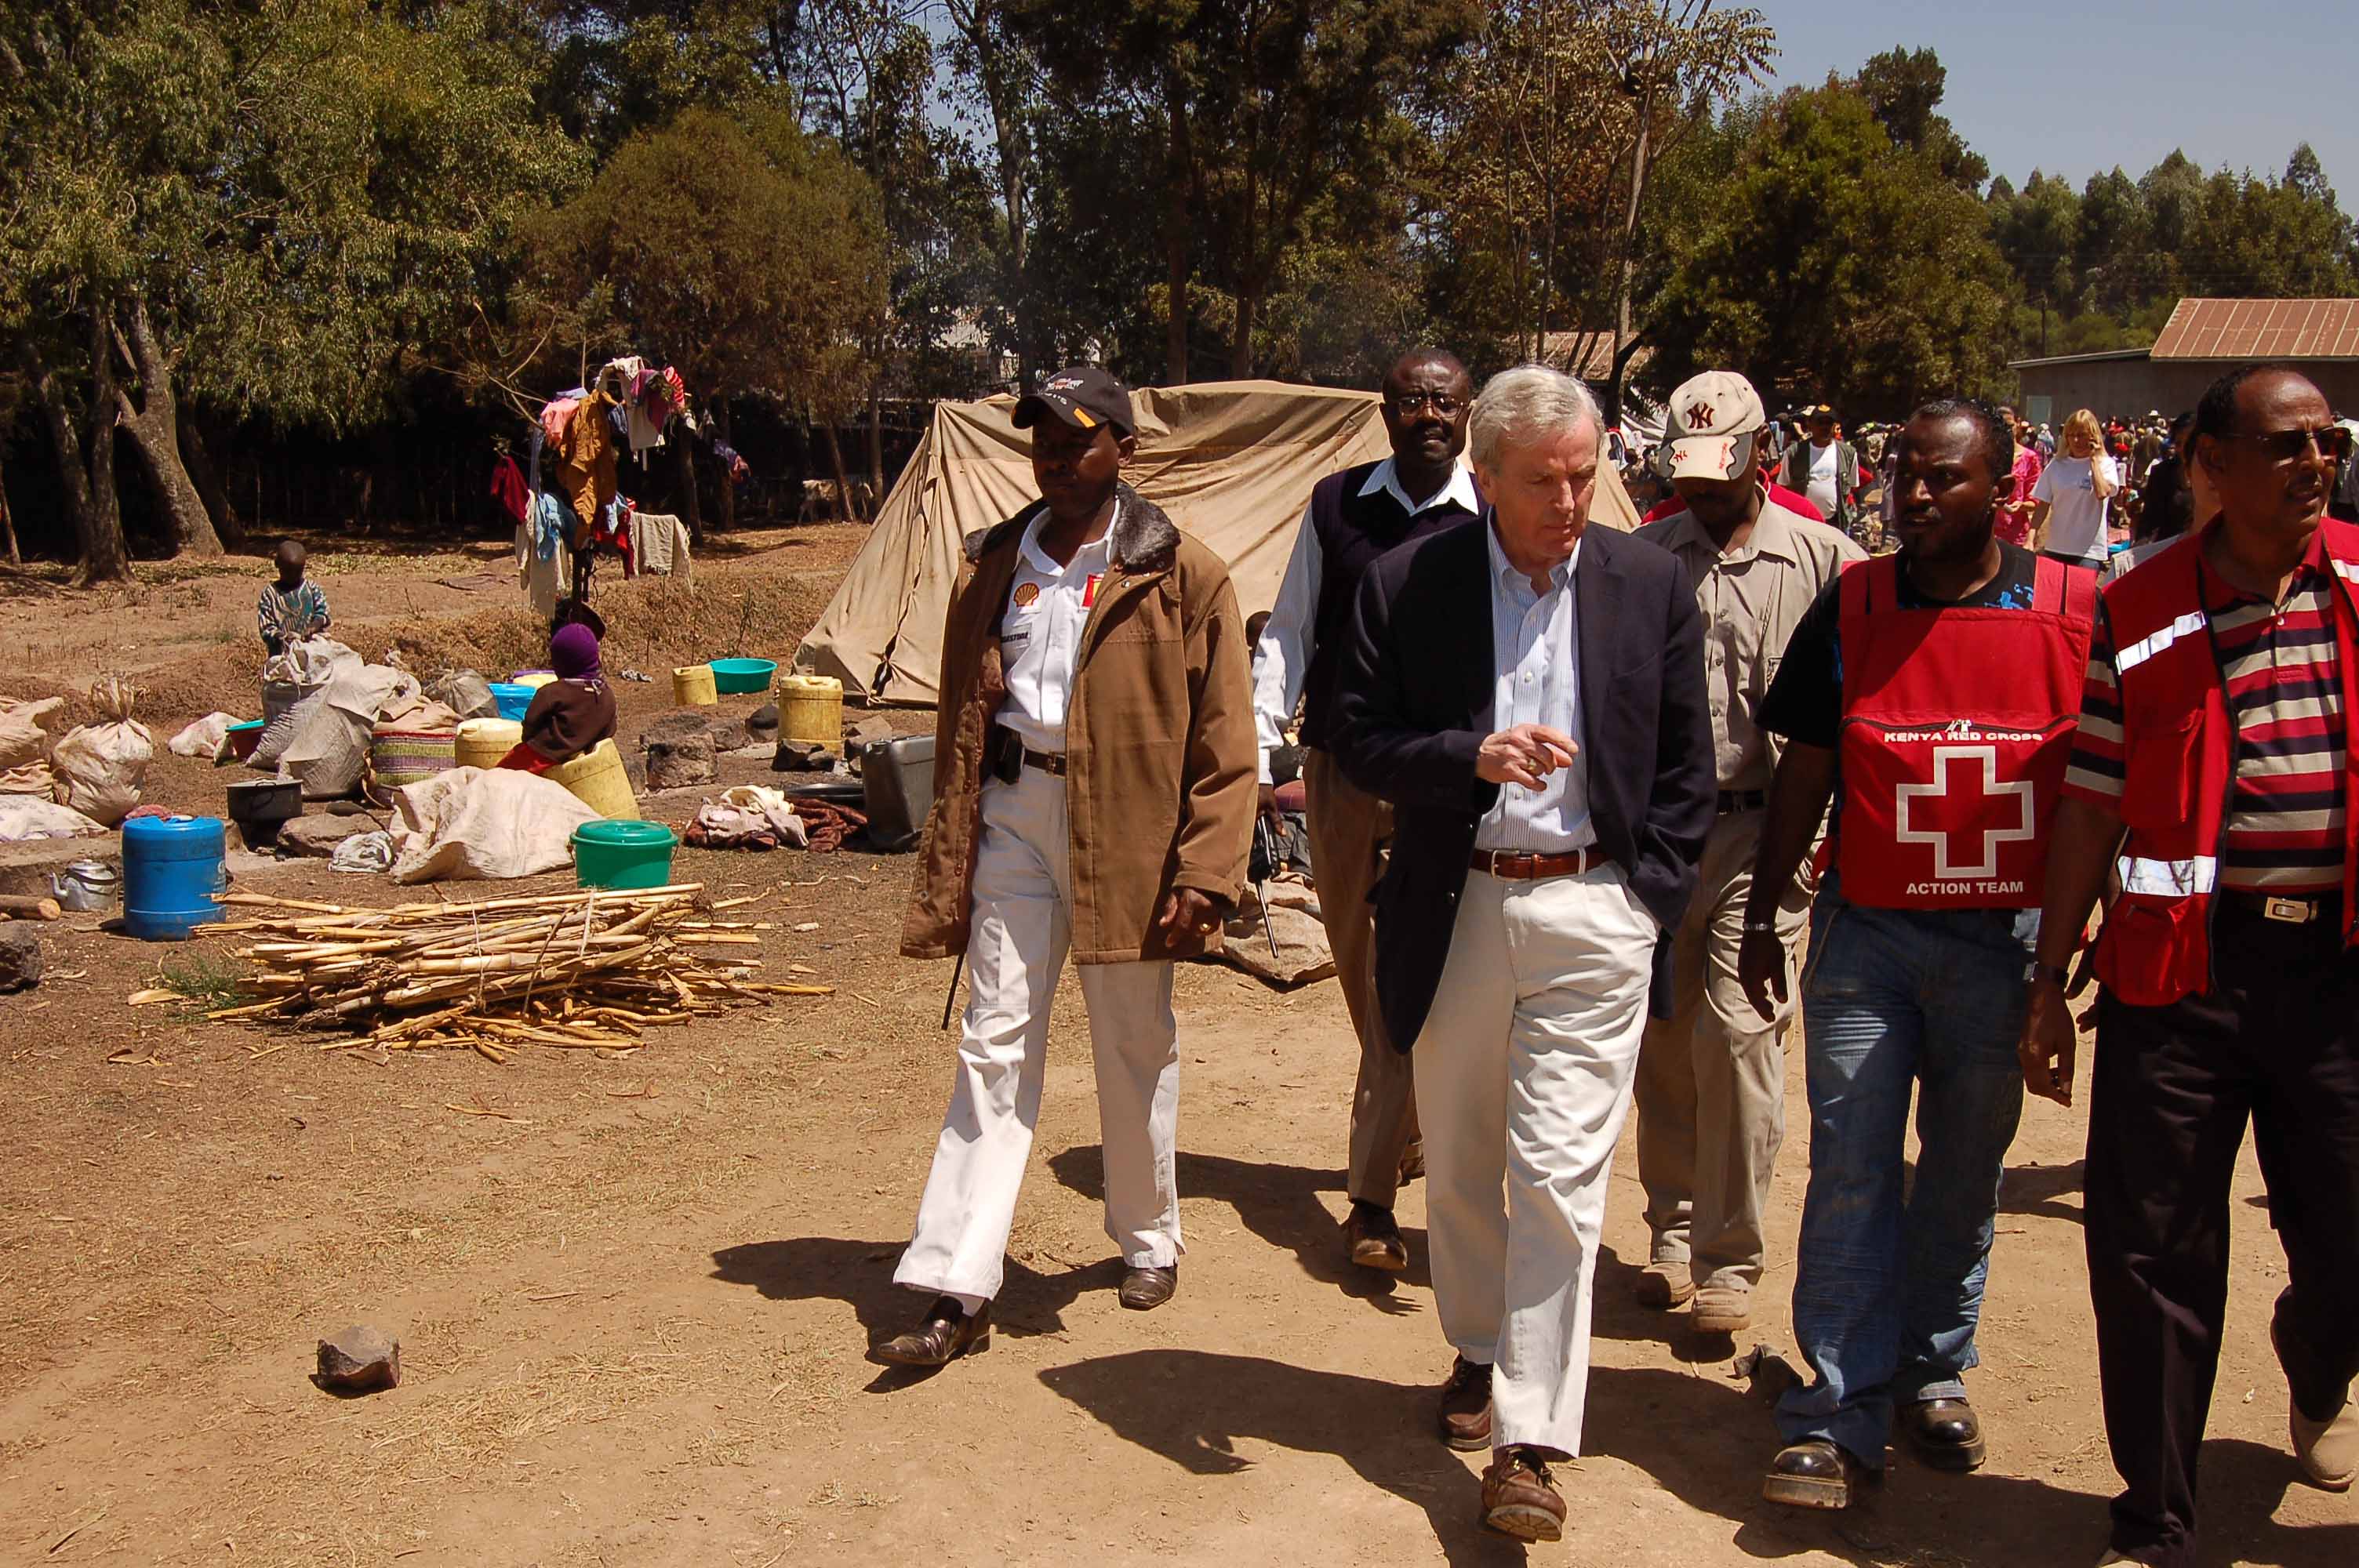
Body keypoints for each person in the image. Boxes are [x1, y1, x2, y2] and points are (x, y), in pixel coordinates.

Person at [1332, 365, 1712, 1544]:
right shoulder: (1410, 583)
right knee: (1460, 1158)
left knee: (1558, 1174)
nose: (1568, 499)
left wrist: (1649, 900)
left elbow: (1689, 766)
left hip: (1596, 911)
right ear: (1484, 477)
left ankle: (1528, 1438)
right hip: (1459, 908)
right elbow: (1352, 736)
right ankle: (1481, 1346)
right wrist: (1468, 756)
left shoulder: (1649, 584)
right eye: (1543, 479)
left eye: (1584, 475)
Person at [2019, 365, 2359, 1568]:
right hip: (2181, 982)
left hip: (2342, 983)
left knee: (2349, 1242)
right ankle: (2155, 1519)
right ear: (2211, 466)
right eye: (2288, 445)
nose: (2318, 462)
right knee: (2151, 1251)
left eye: (2330, 440)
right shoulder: (2142, 601)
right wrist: (2049, 979)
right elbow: (2093, 796)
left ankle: (2318, 1364)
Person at [1739, 397, 2099, 1509]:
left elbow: (2108, 782)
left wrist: (2091, 927)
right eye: (1903, 474)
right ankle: (1836, 1407)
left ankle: (1932, 1368)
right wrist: (1765, 909)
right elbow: (1806, 762)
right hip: (1872, 931)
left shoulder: (2077, 608)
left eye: (1943, 477)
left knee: (1961, 1168)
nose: (1914, 495)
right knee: (1851, 1159)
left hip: (2006, 944)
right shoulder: (1853, 602)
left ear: (2005, 490)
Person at [878, 365, 1256, 1367]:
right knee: (993, 1042)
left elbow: (1228, 744)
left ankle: (1146, 1236)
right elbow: (965, 701)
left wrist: (1205, 870)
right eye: (1040, 438)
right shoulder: (997, 559)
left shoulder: (1182, 571)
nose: (1053, 456)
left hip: (1128, 827)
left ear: (1122, 448)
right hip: (1016, 816)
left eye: (1075, 439)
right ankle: (957, 1278)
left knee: (1132, 1040)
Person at [1631, 372, 1865, 1335]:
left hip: (1770, 831)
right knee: (1664, 1031)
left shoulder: (1826, 562)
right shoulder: (1643, 558)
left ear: (1759, 453)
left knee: (1738, 1030)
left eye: (1718, 474)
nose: (1701, 493)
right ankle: (1673, 1230)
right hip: (1660, 831)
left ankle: (1729, 1255)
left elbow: (1857, 713)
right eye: (1685, 476)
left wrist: (1832, 839)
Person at [1250, 347, 1481, 1274]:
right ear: (1384, 414)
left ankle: (1369, 1195)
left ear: (1468, 412)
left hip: (1446, 774)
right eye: (1409, 400)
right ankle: (1406, 1122)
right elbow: (1293, 625)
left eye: (1444, 400)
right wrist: (1264, 746)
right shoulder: (1336, 503)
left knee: (1411, 977)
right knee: (1359, 964)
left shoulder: (1497, 511)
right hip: (1343, 764)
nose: (1427, 413)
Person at [499, 623, 616, 771]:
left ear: (560, 664)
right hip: (589, 764)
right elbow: (609, 731)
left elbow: (530, 725)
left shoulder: (552, 693)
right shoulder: (606, 695)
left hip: (542, 757)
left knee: (500, 775)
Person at [2032, 408, 2122, 568]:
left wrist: (2094, 461)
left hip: (2088, 553)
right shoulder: (2056, 465)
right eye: (2071, 435)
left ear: (2093, 436)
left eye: (2081, 435)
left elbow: (2102, 493)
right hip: (2056, 548)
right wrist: (2031, 535)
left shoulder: (2106, 464)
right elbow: (2043, 504)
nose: (2075, 441)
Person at [1783, 405, 1860, 536]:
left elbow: (1851, 486)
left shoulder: (1848, 454)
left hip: (1835, 523)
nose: (1824, 427)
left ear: (1834, 426)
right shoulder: (1794, 453)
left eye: (1829, 423)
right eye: (1820, 422)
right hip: (1803, 523)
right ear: (1810, 424)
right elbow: (1784, 485)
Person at [256, 539, 330, 655]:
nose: (292, 575)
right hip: (282, 654)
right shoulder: (270, 594)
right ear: (277, 564)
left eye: (297, 572)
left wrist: (314, 626)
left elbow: (323, 613)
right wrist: (281, 637)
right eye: (288, 571)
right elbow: (266, 627)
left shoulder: (312, 589)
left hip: (314, 650)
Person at [1994, 405, 2045, 549]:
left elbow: (2035, 501)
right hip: (1989, 534)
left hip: (2017, 536)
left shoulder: (2030, 458)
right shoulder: (1988, 456)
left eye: (2010, 426)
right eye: (2001, 426)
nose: (2006, 431)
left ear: (2018, 423)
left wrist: (2020, 506)